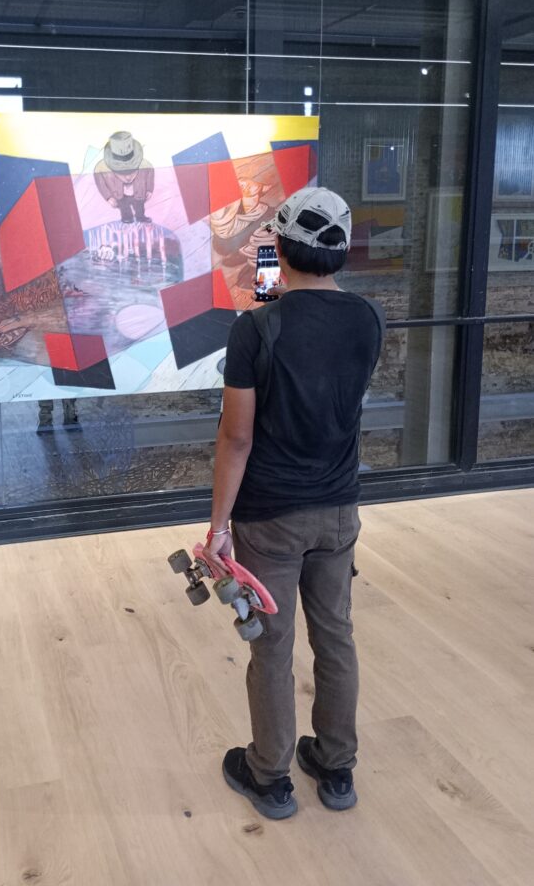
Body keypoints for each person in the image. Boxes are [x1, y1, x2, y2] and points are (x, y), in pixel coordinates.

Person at [206, 186, 385, 821]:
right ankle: (336, 768)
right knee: (336, 637)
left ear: (279, 247)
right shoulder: (368, 320)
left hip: (270, 517)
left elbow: (237, 437)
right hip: (339, 510)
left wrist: (218, 527)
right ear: (341, 250)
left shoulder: (256, 329)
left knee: (272, 646)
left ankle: (270, 776)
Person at [94, 131, 155, 224]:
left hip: (139, 192)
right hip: (119, 194)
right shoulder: (101, 169)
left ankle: (140, 216)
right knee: (124, 206)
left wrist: (149, 189)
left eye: (132, 171)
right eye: (121, 172)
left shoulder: (145, 165)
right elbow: (100, 183)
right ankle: (127, 217)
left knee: (139, 205)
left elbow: (150, 173)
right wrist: (108, 197)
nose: (128, 177)